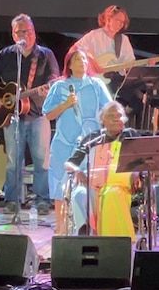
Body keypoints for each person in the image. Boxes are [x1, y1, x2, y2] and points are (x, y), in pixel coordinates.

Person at [0, 14, 60, 216]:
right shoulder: (7, 54)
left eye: (29, 31)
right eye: (20, 32)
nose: (26, 35)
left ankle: (42, 200)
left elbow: (54, 79)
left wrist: (48, 88)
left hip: (38, 115)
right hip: (11, 117)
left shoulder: (45, 55)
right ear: (14, 35)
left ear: (34, 32)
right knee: (14, 161)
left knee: (42, 160)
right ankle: (12, 200)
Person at [43, 49, 112, 234]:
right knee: (60, 186)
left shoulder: (96, 85)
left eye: (84, 58)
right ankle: (61, 228)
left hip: (91, 144)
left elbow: (109, 109)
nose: (82, 61)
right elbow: (48, 113)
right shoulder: (59, 86)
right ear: (69, 64)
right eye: (77, 59)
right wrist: (65, 105)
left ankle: (92, 227)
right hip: (64, 144)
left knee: (91, 184)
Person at [65, 101, 141, 239]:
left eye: (119, 116)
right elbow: (69, 163)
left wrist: (136, 172)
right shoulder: (92, 138)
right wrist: (77, 171)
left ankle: (116, 239)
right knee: (80, 194)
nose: (117, 119)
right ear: (102, 120)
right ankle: (85, 233)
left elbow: (144, 159)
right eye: (112, 116)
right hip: (94, 184)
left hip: (120, 185)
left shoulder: (131, 135)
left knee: (112, 194)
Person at [70, 5, 150, 119]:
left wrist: (146, 64)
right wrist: (90, 58)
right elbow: (73, 49)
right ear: (108, 18)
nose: (120, 25)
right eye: (118, 20)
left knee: (139, 97)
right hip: (96, 81)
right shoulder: (94, 35)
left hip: (117, 81)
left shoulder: (123, 40)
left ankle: (121, 117)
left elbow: (130, 63)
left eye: (122, 22)